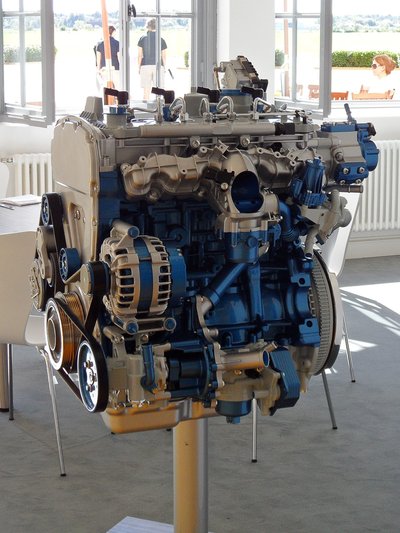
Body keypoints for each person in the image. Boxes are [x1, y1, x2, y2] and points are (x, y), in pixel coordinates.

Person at [137, 19, 167, 100]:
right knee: (159, 90)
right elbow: (164, 56)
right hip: (158, 66)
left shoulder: (142, 39)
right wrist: (164, 67)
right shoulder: (161, 39)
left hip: (145, 66)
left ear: (147, 27)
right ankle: (158, 106)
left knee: (146, 91)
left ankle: (146, 106)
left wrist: (139, 67)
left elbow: (140, 55)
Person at [95, 25, 120, 90]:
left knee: (106, 88)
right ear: (113, 32)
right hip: (115, 68)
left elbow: (98, 59)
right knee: (117, 87)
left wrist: (98, 70)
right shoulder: (117, 43)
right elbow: (119, 56)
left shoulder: (100, 44)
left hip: (104, 68)